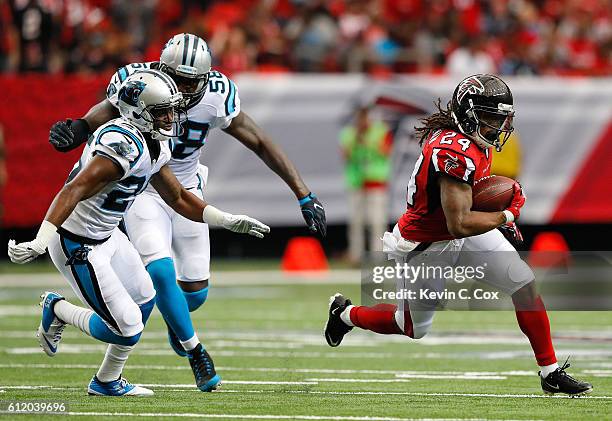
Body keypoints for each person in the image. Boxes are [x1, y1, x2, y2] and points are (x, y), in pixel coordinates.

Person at [47, 33, 325, 384]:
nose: (177, 88)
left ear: (205, 80)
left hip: (186, 189)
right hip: (145, 187)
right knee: (161, 273)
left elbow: (258, 140)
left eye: (188, 82)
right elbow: (111, 107)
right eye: (174, 77)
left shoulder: (217, 95)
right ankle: (194, 349)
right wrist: (82, 126)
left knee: (194, 293)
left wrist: (302, 193)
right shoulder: (140, 80)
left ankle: (175, 322)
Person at [324, 74, 593, 397]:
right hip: (427, 243)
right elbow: (459, 224)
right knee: (410, 327)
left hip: (455, 228)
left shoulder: (469, 138)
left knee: (522, 283)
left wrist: (494, 213)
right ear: (469, 113)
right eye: (492, 116)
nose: (500, 125)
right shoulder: (453, 151)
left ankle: (550, 372)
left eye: (502, 116)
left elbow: (468, 206)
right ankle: (345, 314)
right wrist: (506, 214)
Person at [8, 70, 269, 395]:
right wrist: (41, 240)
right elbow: (72, 191)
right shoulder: (121, 148)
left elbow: (177, 197)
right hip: (77, 244)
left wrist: (224, 219)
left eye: (171, 109)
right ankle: (58, 309)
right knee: (128, 327)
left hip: (107, 237)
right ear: (139, 113)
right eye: (162, 111)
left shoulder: (154, 145)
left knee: (145, 300)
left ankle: (106, 381)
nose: (171, 117)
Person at [339, 105, 393, 263]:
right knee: (356, 222)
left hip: (376, 181)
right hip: (356, 182)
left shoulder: (380, 131)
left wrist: (368, 142)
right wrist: (357, 138)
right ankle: (356, 254)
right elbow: (346, 155)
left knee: (377, 221)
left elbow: (386, 151)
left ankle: (377, 255)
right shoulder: (349, 133)